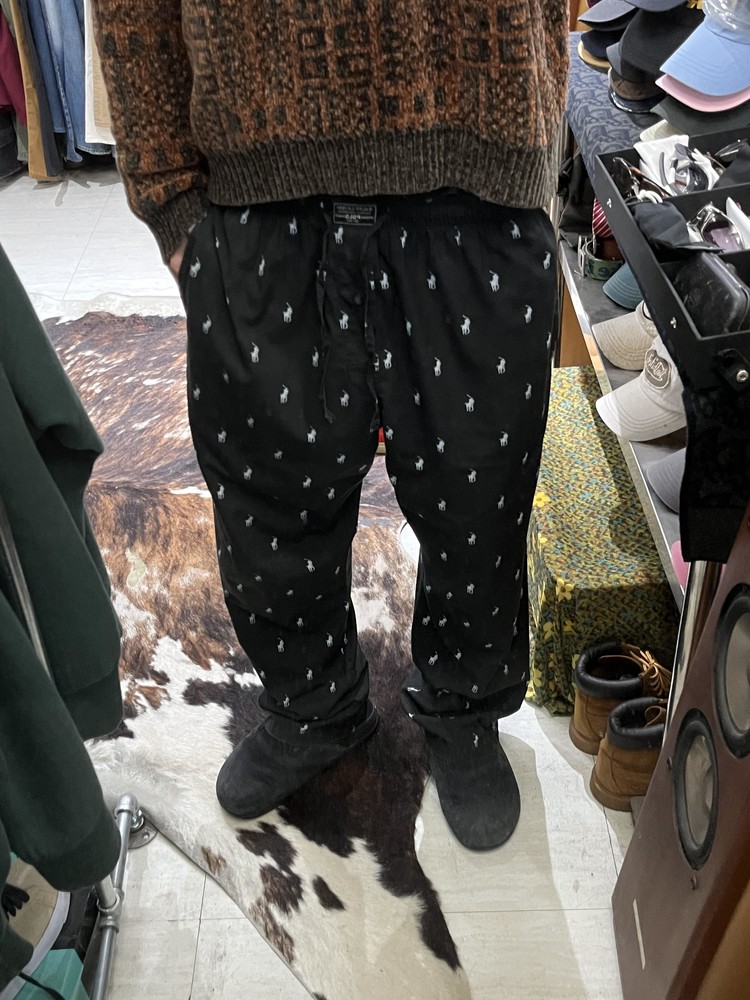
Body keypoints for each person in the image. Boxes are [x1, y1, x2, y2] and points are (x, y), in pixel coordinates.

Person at [90, 0, 569, 851]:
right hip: (258, 197)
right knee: (269, 503)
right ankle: (314, 704)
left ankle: (464, 708)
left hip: (480, 183)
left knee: (480, 499)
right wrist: (169, 204)